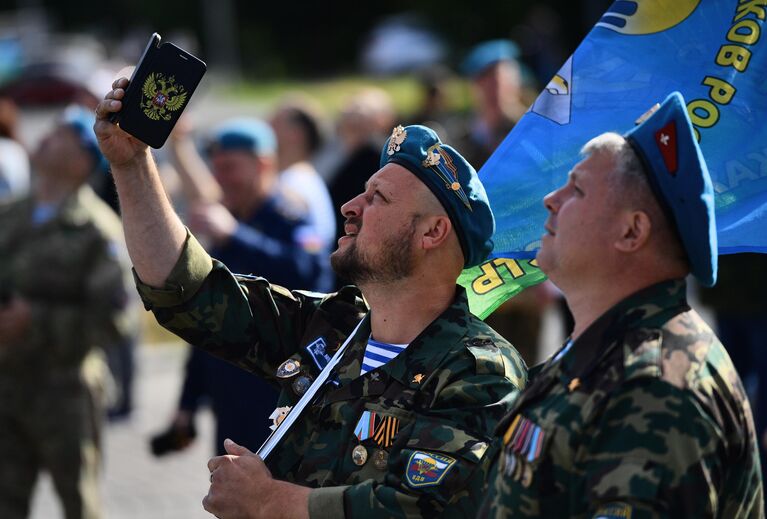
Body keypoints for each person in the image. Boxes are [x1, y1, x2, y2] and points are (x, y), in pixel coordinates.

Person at [94, 77, 526, 519]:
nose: (350, 206)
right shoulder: (331, 327)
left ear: (432, 233)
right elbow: (188, 292)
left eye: (377, 197)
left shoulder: (479, 369)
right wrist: (132, 165)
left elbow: (427, 510)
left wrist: (269, 501)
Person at [479, 92, 764, 517]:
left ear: (632, 232)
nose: (550, 199)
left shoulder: (657, 386)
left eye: (576, 188)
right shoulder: (604, 352)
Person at [153, 118, 333, 455]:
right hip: (230, 395)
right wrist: (187, 402)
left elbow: (312, 273)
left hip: (280, 393)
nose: (221, 179)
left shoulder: (289, 214)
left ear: (263, 164)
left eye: (230, 168)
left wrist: (236, 235)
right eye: (217, 168)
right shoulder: (229, 220)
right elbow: (207, 317)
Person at [0, 106, 135, 519]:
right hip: (7, 384)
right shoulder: (10, 214)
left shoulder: (97, 229)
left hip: (66, 390)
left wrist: (34, 319)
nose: (45, 135)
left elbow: (112, 322)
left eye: (60, 133)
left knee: (78, 503)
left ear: (81, 159)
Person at [270, 97, 337, 282]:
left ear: (296, 134)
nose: (265, 126)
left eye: (274, 122)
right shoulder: (299, 178)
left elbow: (308, 253)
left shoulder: (295, 183)